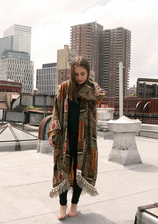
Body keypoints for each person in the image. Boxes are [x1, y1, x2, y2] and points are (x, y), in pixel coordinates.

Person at [48, 56, 107, 219]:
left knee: (79, 171)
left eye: (83, 74)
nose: (79, 77)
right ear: (71, 74)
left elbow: (99, 96)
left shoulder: (93, 90)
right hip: (65, 136)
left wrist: (89, 89)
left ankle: (74, 203)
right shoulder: (64, 88)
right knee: (63, 169)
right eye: (76, 74)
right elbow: (56, 111)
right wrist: (53, 132)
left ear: (88, 72)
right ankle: (62, 205)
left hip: (85, 138)